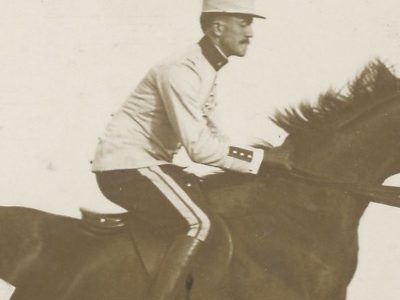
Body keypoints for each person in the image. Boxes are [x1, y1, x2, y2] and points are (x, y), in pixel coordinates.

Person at [92, 0, 291, 299]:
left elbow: (216, 137)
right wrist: (261, 160)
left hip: (147, 165)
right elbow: (199, 149)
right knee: (201, 224)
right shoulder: (181, 70)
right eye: (244, 22)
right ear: (217, 27)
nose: (251, 33)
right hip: (127, 167)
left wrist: (263, 164)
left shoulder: (205, 67)